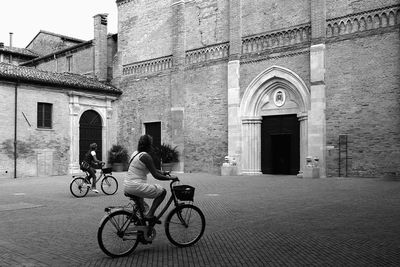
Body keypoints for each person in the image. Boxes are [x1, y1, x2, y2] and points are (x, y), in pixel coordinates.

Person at [124, 135, 177, 221]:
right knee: (162, 192)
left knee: (142, 209)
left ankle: (141, 229)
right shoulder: (146, 156)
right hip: (136, 186)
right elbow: (156, 175)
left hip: (128, 185)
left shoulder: (135, 153)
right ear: (149, 145)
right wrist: (171, 178)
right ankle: (150, 215)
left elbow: (151, 168)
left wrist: (163, 172)